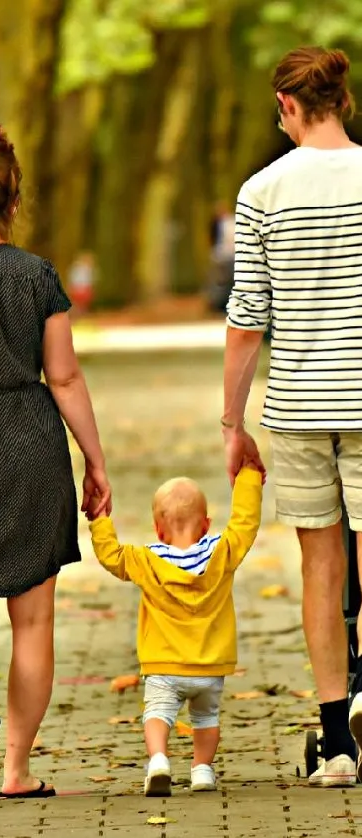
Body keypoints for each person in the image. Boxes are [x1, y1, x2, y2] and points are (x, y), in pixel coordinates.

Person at [222, 45, 362, 787]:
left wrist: (230, 422)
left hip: (300, 404)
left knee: (318, 567)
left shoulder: (261, 191)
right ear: (340, 100)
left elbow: (247, 318)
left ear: (286, 107)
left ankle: (336, 743)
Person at [0, 124, 111, 800]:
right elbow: (67, 379)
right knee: (34, 621)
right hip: (27, 441)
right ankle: (16, 770)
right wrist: (95, 463)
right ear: (12, 203)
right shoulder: (37, 276)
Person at [89, 466, 262, 796]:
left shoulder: (146, 560)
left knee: (157, 714)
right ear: (206, 525)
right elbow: (246, 525)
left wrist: (99, 518)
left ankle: (158, 760)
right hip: (210, 667)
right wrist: (249, 478)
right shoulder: (221, 553)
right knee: (206, 718)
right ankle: (203, 771)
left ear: (157, 529)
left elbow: (111, 556)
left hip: (163, 667)